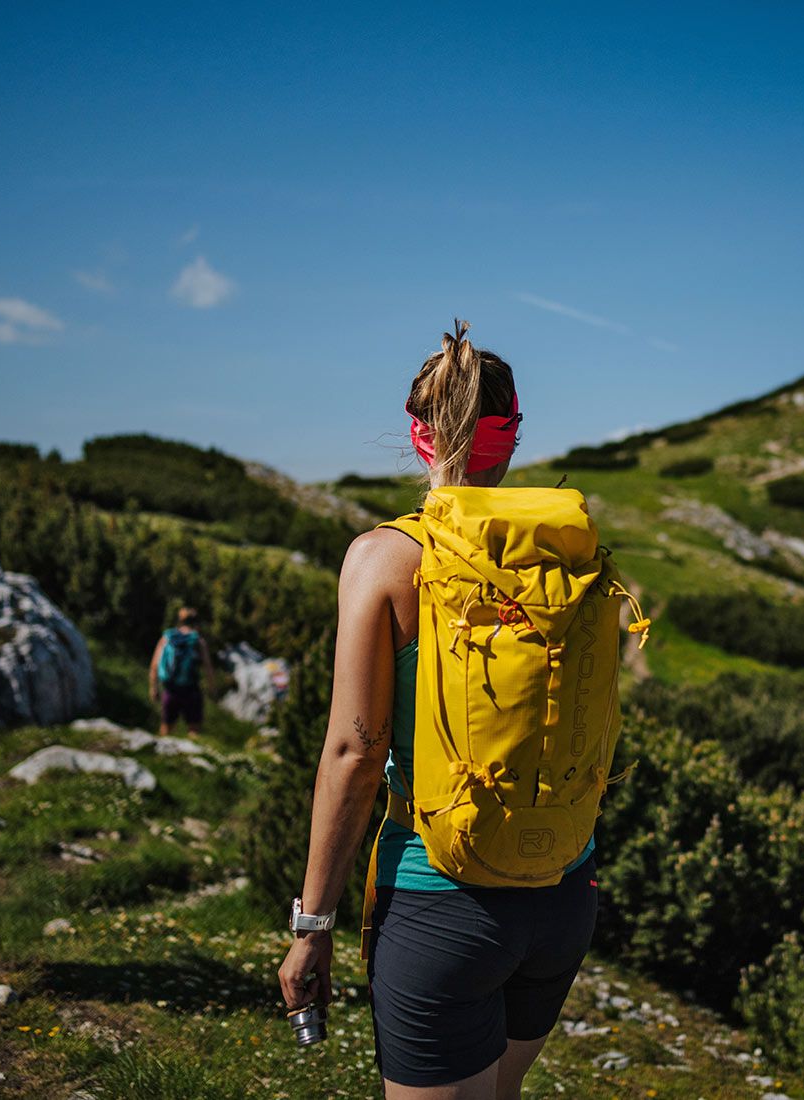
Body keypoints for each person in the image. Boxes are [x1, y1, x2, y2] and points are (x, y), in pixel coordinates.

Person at [277, 323, 601, 1100]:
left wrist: (311, 927)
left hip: (440, 900)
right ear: (513, 434)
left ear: (419, 436)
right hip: (562, 890)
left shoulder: (387, 558)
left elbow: (355, 755)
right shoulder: (568, 549)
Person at [148, 607, 213, 736]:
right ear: (196, 623)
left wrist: (153, 688)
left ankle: (162, 754)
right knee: (194, 730)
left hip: (170, 689)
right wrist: (212, 689)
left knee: (166, 728)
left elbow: (154, 665)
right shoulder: (198, 641)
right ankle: (192, 755)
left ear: (179, 621)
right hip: (191, 690)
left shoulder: (167, 638)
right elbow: (208, 667)